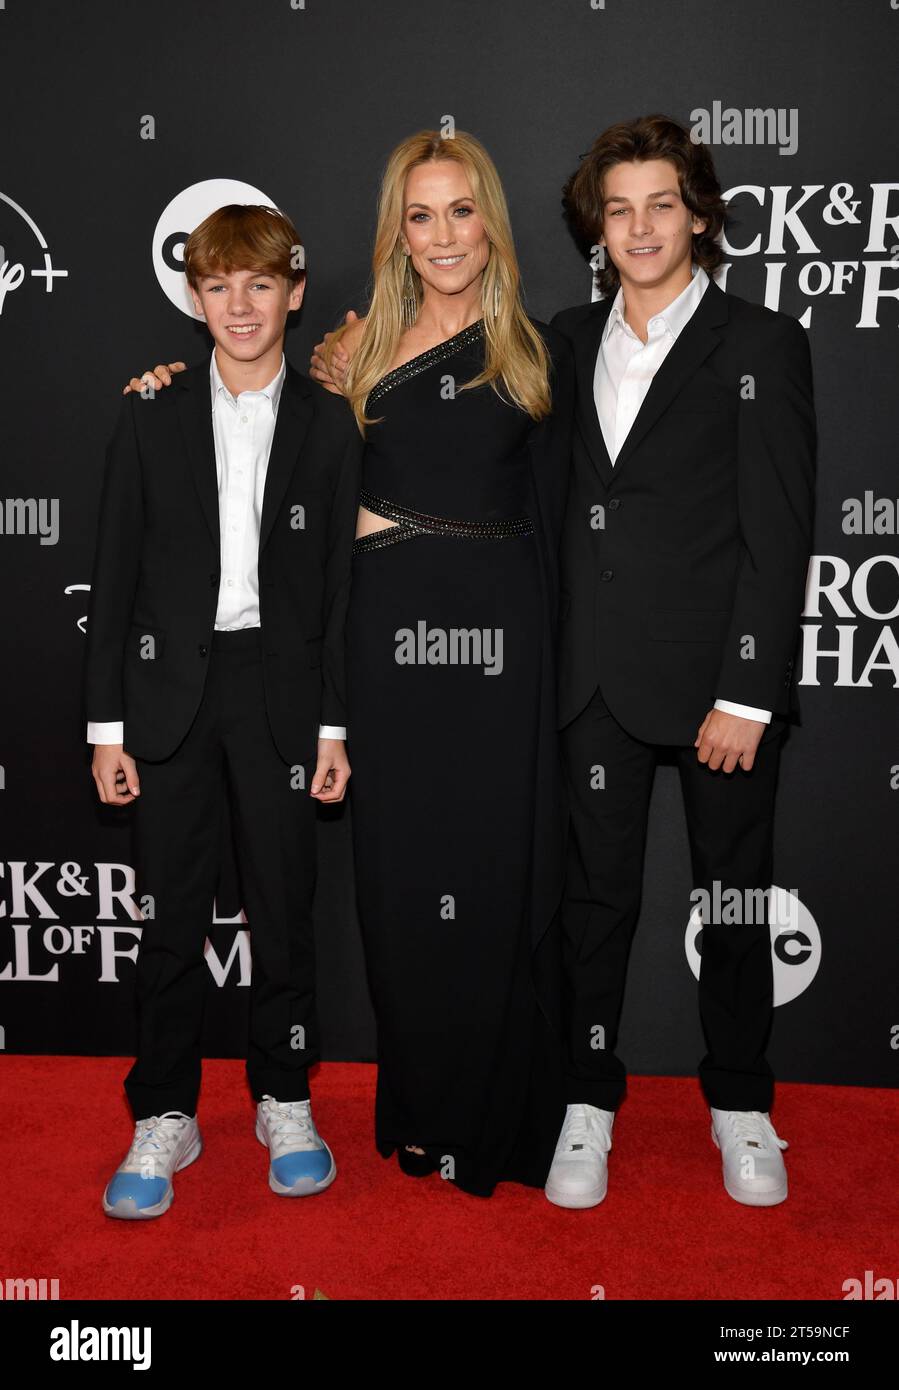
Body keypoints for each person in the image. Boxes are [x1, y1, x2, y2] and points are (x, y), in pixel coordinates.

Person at [122, 133, 575, 1199]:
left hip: (499, 646)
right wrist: (165, 385)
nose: (443, 235)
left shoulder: (538, 348)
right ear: (396, 232)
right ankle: (421, 1112)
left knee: (494, 874)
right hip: (383, 641)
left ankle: (501, 1115)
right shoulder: (353, 350)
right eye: (420, 216)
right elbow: (251, 400)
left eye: (461, 211)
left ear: (490, 222)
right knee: (402, 882)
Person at [542, 114, 816, 1209]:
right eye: (619, 208)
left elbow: (778, 529)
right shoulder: (561, 340)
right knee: (592, 904)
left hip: (718, 684)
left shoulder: (758, 346)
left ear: (698, 217)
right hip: (591, 679)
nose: (640, 226)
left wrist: (748, 689)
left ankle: (741, 1103)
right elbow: (446, 401)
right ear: (596, 228)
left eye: (662, 204)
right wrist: (337, 353)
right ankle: (585, 1102)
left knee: (735, 901)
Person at [85, 204, 362, 1218]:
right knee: (169, 921)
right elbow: (112, 577)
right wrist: (104, 727)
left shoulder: (332, 424)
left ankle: (284, 1097)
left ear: (292, 291)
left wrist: (334, 725)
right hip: (168, 699)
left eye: (258, 284)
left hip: (280, 698)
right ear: (193, 297)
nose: (238, 305)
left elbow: (340, 589)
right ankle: (165, 1111)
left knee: (285, 917)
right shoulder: (149, 411)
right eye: (217, 285)